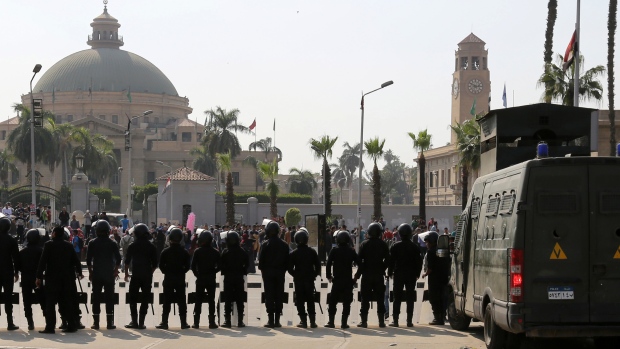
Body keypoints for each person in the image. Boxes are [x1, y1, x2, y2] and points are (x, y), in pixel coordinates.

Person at [36, 226, 83, 333]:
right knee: (67, 302)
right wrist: (80, 272)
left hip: (52, 279)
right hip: (65, 279)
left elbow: (42, 262)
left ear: (55, 233)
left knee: (50, 304)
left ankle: (50, 327)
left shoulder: (49, 245)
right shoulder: (69, 245)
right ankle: (71, 325)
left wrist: (38, 276)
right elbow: (76, 261)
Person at [87, 220, 122, 330]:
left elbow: (88, 260)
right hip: (108, 274)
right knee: (109, 298)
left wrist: (90, 272)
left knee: (96, 298)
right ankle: (109, 322)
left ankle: (96, 322)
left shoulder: (92, 243)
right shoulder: (112, 243)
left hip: (97, 273)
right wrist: (115, 270)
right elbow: (118, 259)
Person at [354, 222, 390, 328]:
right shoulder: (383, 244)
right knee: (380, 298)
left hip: (367, 275)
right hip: (379, 275)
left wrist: (358, 274)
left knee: (365, 299)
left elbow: (359, 261)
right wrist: (382, 269)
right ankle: (381, 321)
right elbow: (388, 260)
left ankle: (364, 321)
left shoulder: (364, 244)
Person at [388, 223, 423, 327]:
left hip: (399, 274)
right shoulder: (415, 247)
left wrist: (390, 272)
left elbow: (391, 261)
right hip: (411, 275)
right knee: (410, 297)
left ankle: (395, 320)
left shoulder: (395, 246)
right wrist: (417, 273)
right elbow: (419, 262)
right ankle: (409, 321)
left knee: (397, 297)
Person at [124, 223, 158, 330]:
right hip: (147, 275)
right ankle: (141, 322)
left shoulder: (132, 246)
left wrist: (126, 274)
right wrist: (150, 273)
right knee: (145, 299)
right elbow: (155, 264)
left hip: (136, 275)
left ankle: (134, 321)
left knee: (133, 299)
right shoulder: (151, 246)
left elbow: (127, 262)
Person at [156, 227, 191, 329]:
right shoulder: (184, 252)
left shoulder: (165, 252)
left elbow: (161, 265)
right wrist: (181, 272)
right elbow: (187, 266)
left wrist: (167, 272)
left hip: (169, 279)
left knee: (167, 301)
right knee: (181, 301)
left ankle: (164, 322)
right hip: (180, 279)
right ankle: (183, 322)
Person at [288, 227, 321, 328]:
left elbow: (289, 268)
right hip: (309, 279)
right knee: (310, 300)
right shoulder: (312, 252)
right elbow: (318, 266)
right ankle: (312, 321)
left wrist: (296, 274)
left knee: (300, 300)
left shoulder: (294, 253)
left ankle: (303, 321)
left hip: (299, 280)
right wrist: (314, 274)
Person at [258, 221, 289, 328]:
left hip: (268, 274)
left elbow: (260, 262)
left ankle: (270, 320)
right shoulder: (284, 245)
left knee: (269, 296)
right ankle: (277, 320)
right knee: (279, 295)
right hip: (280, 274)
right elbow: (287, 262)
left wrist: (264, 272)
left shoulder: (265, 244)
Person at [325, 230, 357, 329]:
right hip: (348, 281)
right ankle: (344, 323)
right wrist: (356, 276)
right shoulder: (351, 251)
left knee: (332, 302)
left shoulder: (334, 250)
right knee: (347, 302)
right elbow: (360, 264)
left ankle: (331, 322)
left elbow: (328, 264)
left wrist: (329, 276)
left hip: (337, 280)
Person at [190, 230, 220, 329]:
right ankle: (212, 322)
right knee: (211, 300)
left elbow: (193, 266)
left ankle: (196, 322)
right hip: (211, 278)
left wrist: (197, 275)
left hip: (201, 278)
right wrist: (213, 272)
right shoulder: (215, 252)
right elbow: (219, 266)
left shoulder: (198, 251)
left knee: (198, 300)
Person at [19, 229, 46, 330]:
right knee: (43, 299)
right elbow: (44, 265)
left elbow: (18, 266)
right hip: (38, 278)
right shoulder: (41, 251)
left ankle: (30, 322)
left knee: (26, 301)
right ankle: (47, 319)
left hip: (25, 278)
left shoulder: (22, 252)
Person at [220, 231, 248, 328]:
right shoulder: (242, 251)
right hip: (239, 278)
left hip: (228, 278)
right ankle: (240, 321)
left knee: (227, 300)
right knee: (240, 300)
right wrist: (243, 271)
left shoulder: (225, 252)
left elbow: (221, 265)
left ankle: (227, 321)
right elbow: (247, 264)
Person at [422, 231, 451, 325]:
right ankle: (442, 316)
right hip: (444, 277)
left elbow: (430, 267)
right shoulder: (443, 250)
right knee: (442, 297)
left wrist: (425, 274)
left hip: (434, 279)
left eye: (427, 242)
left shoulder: (430, 252)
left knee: (433, 297)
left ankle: (437, 318)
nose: (426, 244)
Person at [0, 216, 20, 330]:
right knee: (8, 297)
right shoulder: (12, 240)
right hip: (7, 270)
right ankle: (10, 322)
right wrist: (16, 272)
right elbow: (16, 257)